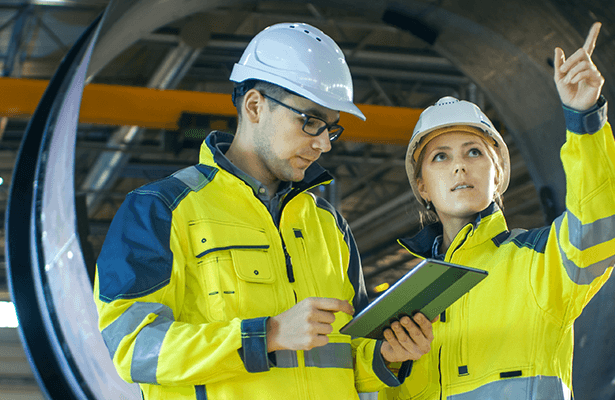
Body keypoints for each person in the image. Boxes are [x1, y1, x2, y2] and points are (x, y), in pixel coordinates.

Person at [94, 23, 433, 399]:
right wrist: (266, 335)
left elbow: (344, 355)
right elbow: (133, 348)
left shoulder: (329, 225)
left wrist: (385, 355)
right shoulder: (159, 209)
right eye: (310, 121)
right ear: (255, 106)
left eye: (330, 129)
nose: (324, 144)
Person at [381, 22, 615, 399]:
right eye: (440, 157)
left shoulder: (539, 263)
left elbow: (601, 228)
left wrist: (584, 118)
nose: (459, 166)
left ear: (497, 175)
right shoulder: (405, 303)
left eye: (474, 152)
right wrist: (388, 363)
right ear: (422, 187)